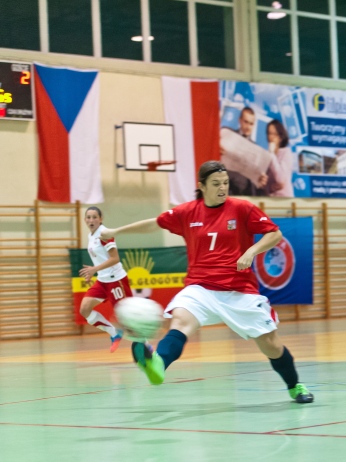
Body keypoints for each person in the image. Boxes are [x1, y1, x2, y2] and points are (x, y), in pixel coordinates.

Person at [100, 160, 313, 404]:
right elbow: (154, 223)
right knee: (180, 321)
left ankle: (295, 385)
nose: (223, 188)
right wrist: (115, 230)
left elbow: (274, 234)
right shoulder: (187, 212)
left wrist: (251, 251)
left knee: (271, 345)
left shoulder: (242, 208)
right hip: (200, 288)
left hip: (239, 290)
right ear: (201, 186)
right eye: (216, 184)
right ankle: (158, 364)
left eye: (225, 183)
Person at [78, 206, 127, 352]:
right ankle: (114, 333)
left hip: (116, 280)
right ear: (85, 219)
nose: (91, 220)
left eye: (94, 217)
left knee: (128, 319)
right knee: (84, 309)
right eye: (88, 217)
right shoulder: (91, 235)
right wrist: (94, 272)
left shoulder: (104, 234)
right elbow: (100, 259)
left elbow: (115, 258)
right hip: (103, 280)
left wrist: (94, 269)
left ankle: (147, 348)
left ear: (101, 219)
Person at [265, 120, 294, 198]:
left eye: (274, 134)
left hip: (284, 201)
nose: (270, 137)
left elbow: (280, 179)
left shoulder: (286, 153)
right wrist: (269, 187)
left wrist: (272, 154)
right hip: (270, 200)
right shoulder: (267, 155)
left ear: (280, 137)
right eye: (269, 133)